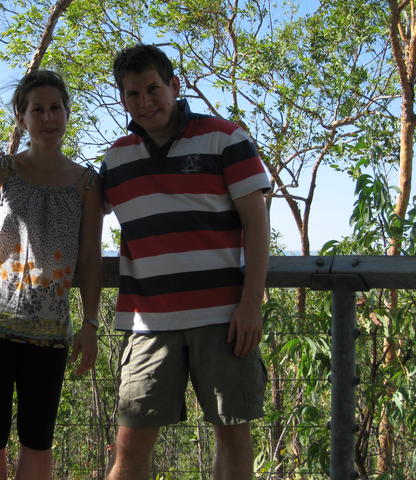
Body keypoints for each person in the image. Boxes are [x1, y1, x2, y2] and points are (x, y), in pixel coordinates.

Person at [100, 44, 270, 480]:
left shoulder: (225, 138)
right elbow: (77, 207)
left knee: (233, 437)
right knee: (130, 443)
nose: (145, 102)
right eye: (133, 94)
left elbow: (257, 224)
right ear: (123, 99)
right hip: (148, 324)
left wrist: (251, 305)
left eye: (153, 89)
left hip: (223, 318)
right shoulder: (116, 159)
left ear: (174, 86)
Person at [0, 70, 103, 480]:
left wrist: (90, 323)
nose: (48, 118)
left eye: (56, 108)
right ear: (22, 117)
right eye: (38, 110)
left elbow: (90, 259)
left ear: (67, 113)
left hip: (49, 332)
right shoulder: (0, 172)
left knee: (38, 438)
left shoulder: (87, 183)